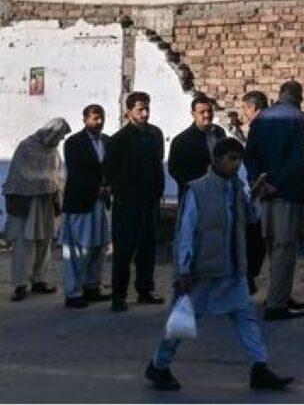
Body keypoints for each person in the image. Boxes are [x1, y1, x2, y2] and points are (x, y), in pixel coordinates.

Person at [145, 138, 293, 392]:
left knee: (245, 317)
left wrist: (256, 193)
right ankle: (159, 365)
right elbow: (186, 232)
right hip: (203, 271)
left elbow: (250, 217)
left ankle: (259, 367)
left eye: (239, 160)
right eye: (231, 159)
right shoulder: (198, 190)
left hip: (231, 268)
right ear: (216, 160)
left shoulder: (235, 188)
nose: (235, 165)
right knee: (182, 322)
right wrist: (184, 269)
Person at [244, 81, 304, 320]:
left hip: (264, 192)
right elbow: (295, 159)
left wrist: (260, 182)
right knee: (285, 247)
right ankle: (277, 303)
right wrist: (277, 184)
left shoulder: (262, 118)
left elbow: (249, 154)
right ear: (298, 96)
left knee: (272, 245)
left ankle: (279, 293)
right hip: (287, 192)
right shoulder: (300, 119)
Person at [106, 92, 166, 311]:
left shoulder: (155, 134)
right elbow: (109, 171)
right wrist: (123, 190)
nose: (145, 113)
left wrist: (157, 194)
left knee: (148, 249)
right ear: (129, 111)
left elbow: (158, 165)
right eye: (140, 109)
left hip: (150, 201)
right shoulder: (118, 140)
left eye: (147, 108)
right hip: (127, 202)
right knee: (123, 251)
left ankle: (144, 290)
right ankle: (119, 295)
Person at [3, 118, 70, 301]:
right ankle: (20, 284)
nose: (60, 140)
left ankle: (39, 279)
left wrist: (55, 185)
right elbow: (22, 174)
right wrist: (49, 182)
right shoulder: (26, 147)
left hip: (46, 202)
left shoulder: (53, 149)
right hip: (27, 202)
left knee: (44, 242)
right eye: (60, 135)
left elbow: (59, 174)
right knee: (24, 243)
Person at [60, 105, 114, 308]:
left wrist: (109, 186)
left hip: (101, 203)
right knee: (78, 249)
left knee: (98, 246)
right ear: (85, 119)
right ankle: (73, 292)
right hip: (81, 202)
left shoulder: (107, 141)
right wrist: (97, 188)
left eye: (101, 118)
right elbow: (77, 171)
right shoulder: (74, 142)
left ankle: (92, 287)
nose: (98, 122)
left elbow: (110, 168)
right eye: (94, 118)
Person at [168, 94, 226, 202]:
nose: (207, 115)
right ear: (193, 114)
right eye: (202, 112)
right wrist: (192, 186)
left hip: (218, 192)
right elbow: (174, 169)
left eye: (209, 111)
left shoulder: (219, 133)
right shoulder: (181, 141)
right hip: (194, 196)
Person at [240, 90, 269, 295]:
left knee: (255, 235)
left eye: (245, 109)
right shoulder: (269, 124)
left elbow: (252, 160)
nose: (244, 114)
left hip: (258, 188)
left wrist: (254, 185)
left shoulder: (259, 126)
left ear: (253, 108)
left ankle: (248, 275)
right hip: (262, 187)